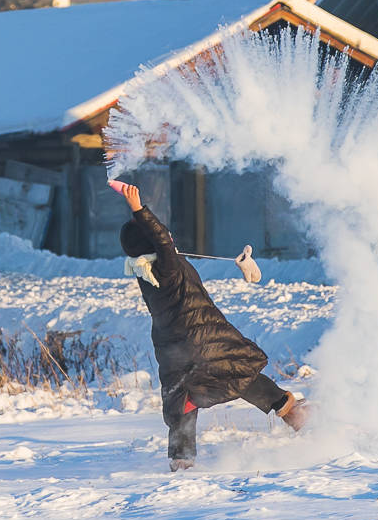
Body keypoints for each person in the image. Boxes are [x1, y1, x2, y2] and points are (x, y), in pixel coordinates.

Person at [109, 179, 307, 470]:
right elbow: (163, 240)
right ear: (152, 242)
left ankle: (182, 459)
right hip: (202, 337)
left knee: (182, 398)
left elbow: (162, 242)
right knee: (238, 372)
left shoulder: (146, 271)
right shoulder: (166, 267)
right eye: (162, 234)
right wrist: (139, 210)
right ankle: (290, 411)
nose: (169, 235)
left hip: (172, 347)